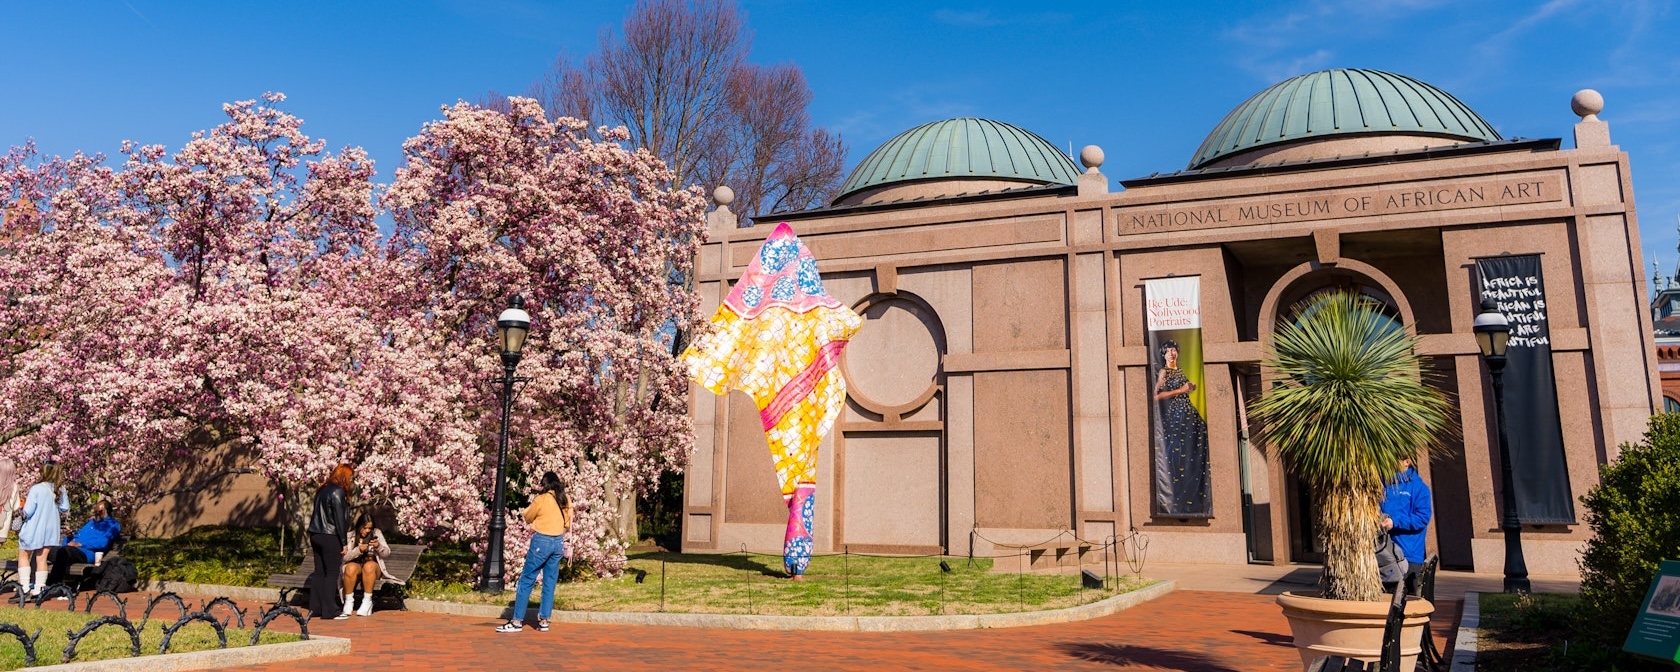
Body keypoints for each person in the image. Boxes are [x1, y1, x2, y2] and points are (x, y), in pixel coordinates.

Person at [498, 472, 573, 634]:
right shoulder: (565, 499)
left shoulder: (542, 499)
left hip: (542, 541)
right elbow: (568, 523)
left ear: (545, 484)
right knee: (549, 582)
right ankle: (544, 620)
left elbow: (528, 516)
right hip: (558, 542)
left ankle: (517, 621)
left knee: (527, 579)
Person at [1153, 340, 1210, 514]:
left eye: (1174, 349)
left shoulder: (1180, 370)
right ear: (1163, 354)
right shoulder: (1164, 372)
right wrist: (1180, 390)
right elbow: (1156, 396)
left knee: (1195, 450)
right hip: (1175, 417)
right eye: (1168, 350)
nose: (1171, 353)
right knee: (1177, 453)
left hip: (1188, 414)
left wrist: (1189, 388)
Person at [15, 461, 69, 598]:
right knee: (42, 558)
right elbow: (64, 508)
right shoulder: (60, 489)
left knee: (24, 555)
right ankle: (39, 589)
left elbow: (28, 510)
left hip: (34, 527)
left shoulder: (36, 489)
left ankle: (25, 587)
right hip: (51, 528)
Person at [1380, 456, 1434, 592]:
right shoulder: (1381, 485)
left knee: (1408, 602)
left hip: (1408, 555)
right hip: (1383, 553)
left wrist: (1395, 522)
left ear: (1407, 462)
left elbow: (1422, 518)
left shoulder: (1419, 488)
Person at [307, 464, 353, 620]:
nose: (351, 481)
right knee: (332, 573)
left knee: (319, 571)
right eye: (350, 477)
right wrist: (344, 542)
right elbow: (339, 520)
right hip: (330, 535)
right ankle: (330, 610)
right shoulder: (337, 492)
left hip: (315, 534)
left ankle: (315, 608)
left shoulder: (322, 490)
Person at [45, 499, 120, 590]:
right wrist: (70, 537)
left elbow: (102, 543)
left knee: (64, 552)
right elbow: (73, 540)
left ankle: (53, 585)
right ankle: (36, 584)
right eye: (95, 511)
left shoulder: (112, 525)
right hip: (71, 550)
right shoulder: (91, 523)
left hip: (86, 553)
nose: (96, 513)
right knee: (44, 550)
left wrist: (81, 544)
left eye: (99, 511)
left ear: (106, 511)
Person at [341, 511, 400, 617]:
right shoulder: (351, 536)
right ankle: (348, 601)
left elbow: (387, 553)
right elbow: (344, 558)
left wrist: (379, 546)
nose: (367, 531)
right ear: (359, 526)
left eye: (369, 528)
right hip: (357, 567)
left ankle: (367, 601)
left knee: (369, 566)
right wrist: (358, 550)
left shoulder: (376, 533)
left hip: (373, 569)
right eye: (365, 528)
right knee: (350, 568)